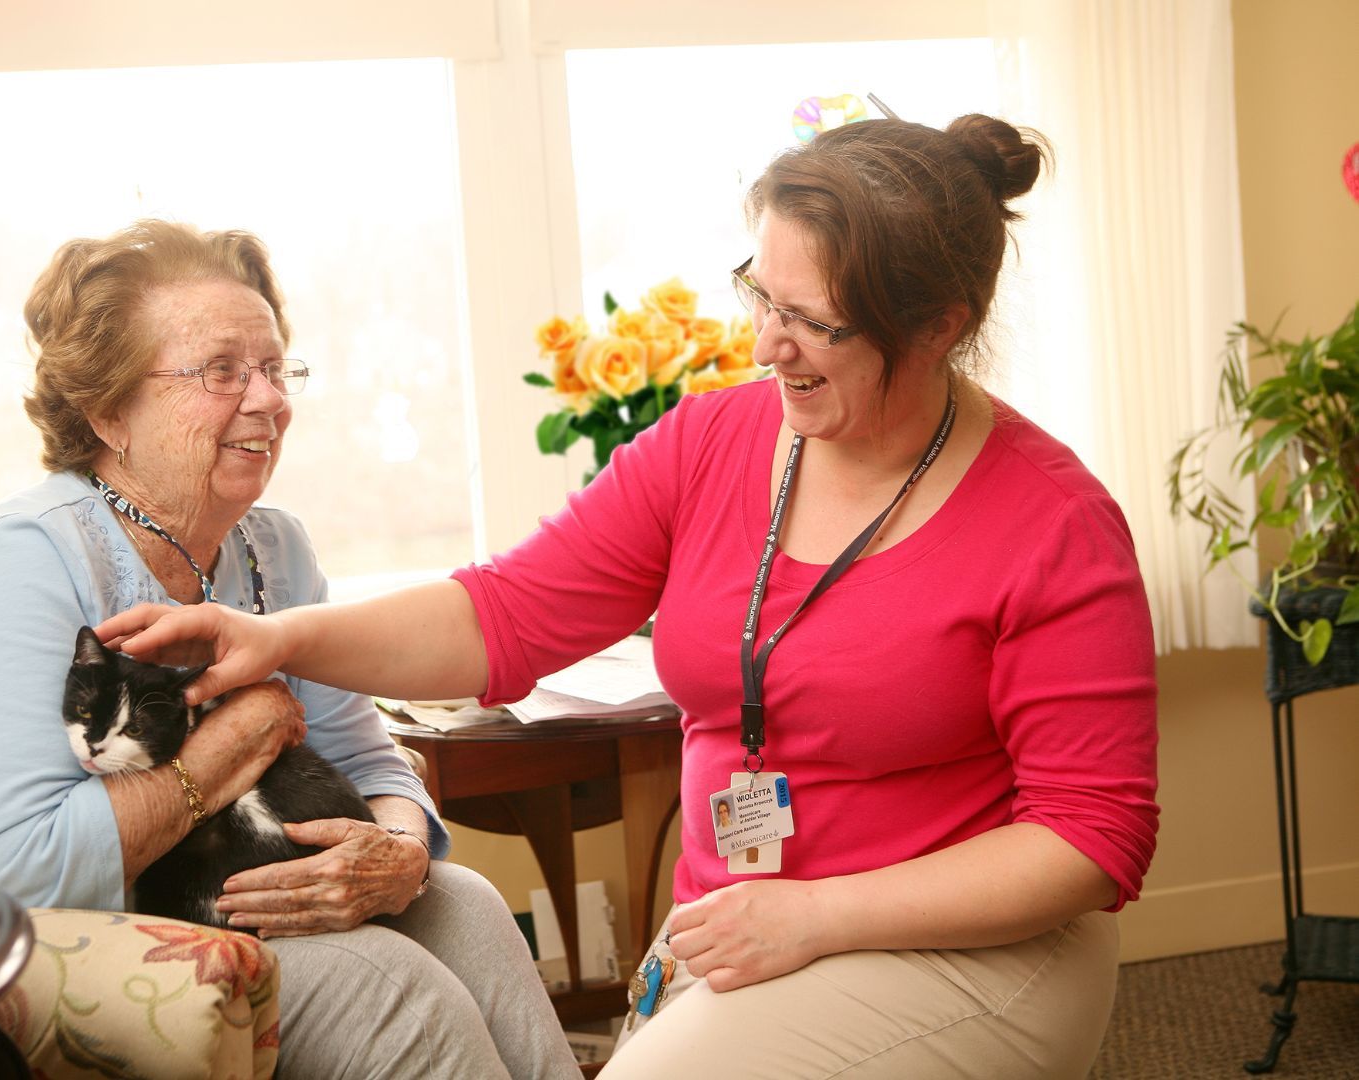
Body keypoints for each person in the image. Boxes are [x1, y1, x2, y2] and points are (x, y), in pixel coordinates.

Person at [98, 114, 1159, 1078]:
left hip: (965, 949)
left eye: (814, 323)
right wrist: (276, 636)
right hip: (745, 922)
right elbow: (502, 615)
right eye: (761, 295)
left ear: (938, 326)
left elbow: (1088, 838)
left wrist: (815, 917)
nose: (765, 345)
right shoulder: (713, 442)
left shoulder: (1052, 523)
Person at [0, 220, 581, 1079]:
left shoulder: (276, 548)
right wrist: (241, 735)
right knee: (393, 987)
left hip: (199, 895)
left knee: (466, 907)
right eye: (222, 371)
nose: (267, 399)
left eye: (274, 369)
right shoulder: (22, 560)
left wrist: (397, 852)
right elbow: (18, 870)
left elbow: (367, 763)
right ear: (109, 411)